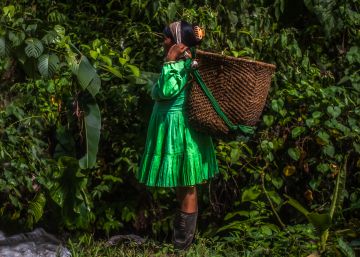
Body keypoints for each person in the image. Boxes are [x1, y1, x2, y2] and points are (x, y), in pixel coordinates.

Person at [136, 20, 219, 250]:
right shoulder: (186, 63)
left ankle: (182, 247)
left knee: (187, 187)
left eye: (166, 37)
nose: (162, 41)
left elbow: (164, 90)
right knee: (184, 187)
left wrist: (169, 60)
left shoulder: (182, 64)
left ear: (178, 43)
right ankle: (181, 246)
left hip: (180, 130)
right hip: (177, 128)